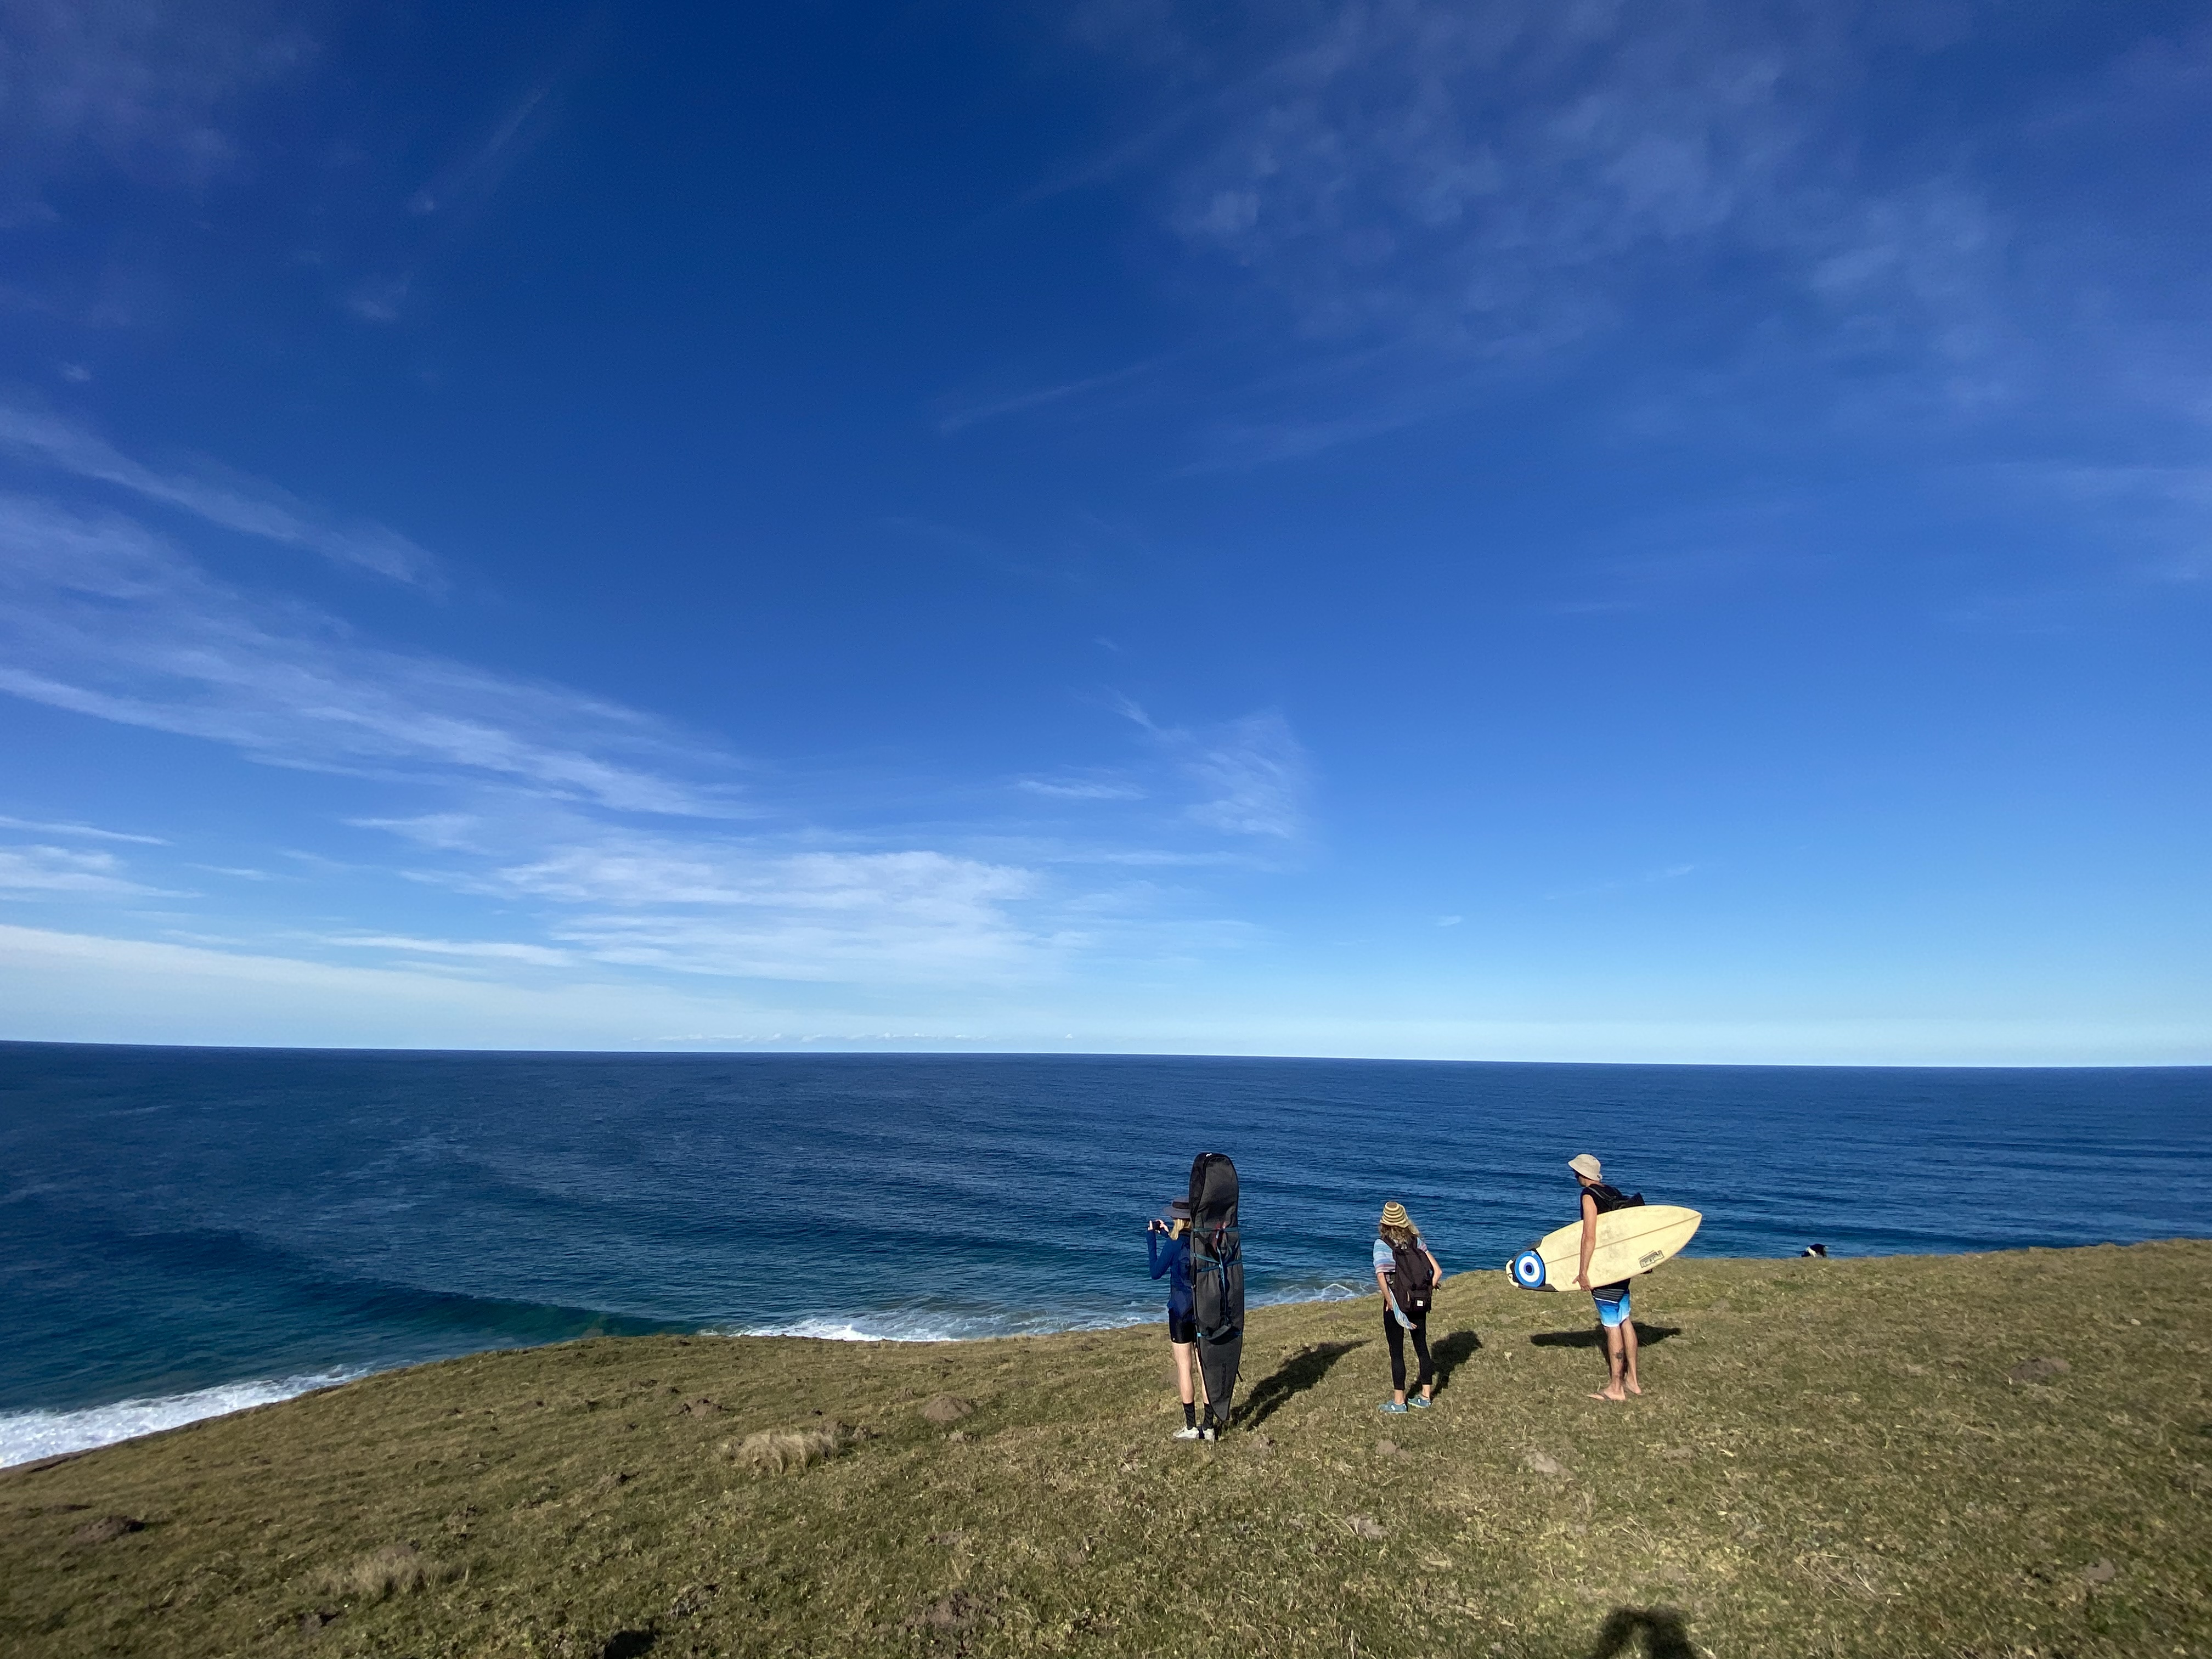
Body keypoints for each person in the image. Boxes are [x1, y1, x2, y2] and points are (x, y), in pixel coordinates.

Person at [1570, 1153, 1643, 1402]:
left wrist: (1583, 1272)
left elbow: (1589, 1236)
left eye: (1576, 1172)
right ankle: (1633, 1381)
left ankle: (1616, 1388)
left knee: (1612, 1325)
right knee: (1625, 1319)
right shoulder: (1613, 1191)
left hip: (1606, 1267)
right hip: (1622, 1266)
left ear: (1583, 1174)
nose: (1575, 1176)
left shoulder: (1589, 1195)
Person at [1373, 1200, 1443, 1414]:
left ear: (1385, 1223)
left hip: (1397, 1303)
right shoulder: (1417, 1242)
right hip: (1419, 1302)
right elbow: (1438, 1271)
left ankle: (1399, 1402)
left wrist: (1390, 1302)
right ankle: (1426, 1397)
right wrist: (1426, 1291)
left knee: (1397, 1353)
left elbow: (1382, 1277)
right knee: (1422, 1347)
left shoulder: (1382, 1244)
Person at [1147, 1197, 1204, 1439]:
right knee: (1204, 1368)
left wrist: (1151, 1237)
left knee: (1184, 1368)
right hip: (1202, 1311)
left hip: (1180, 1312)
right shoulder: (1202, 1242)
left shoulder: (1173, 1244)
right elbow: (1184, 1249)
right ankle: (1209, 1426)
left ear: (1176, 1219)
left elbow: (1155, 1272)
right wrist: (1165, 1234)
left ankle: (1191, 1427)